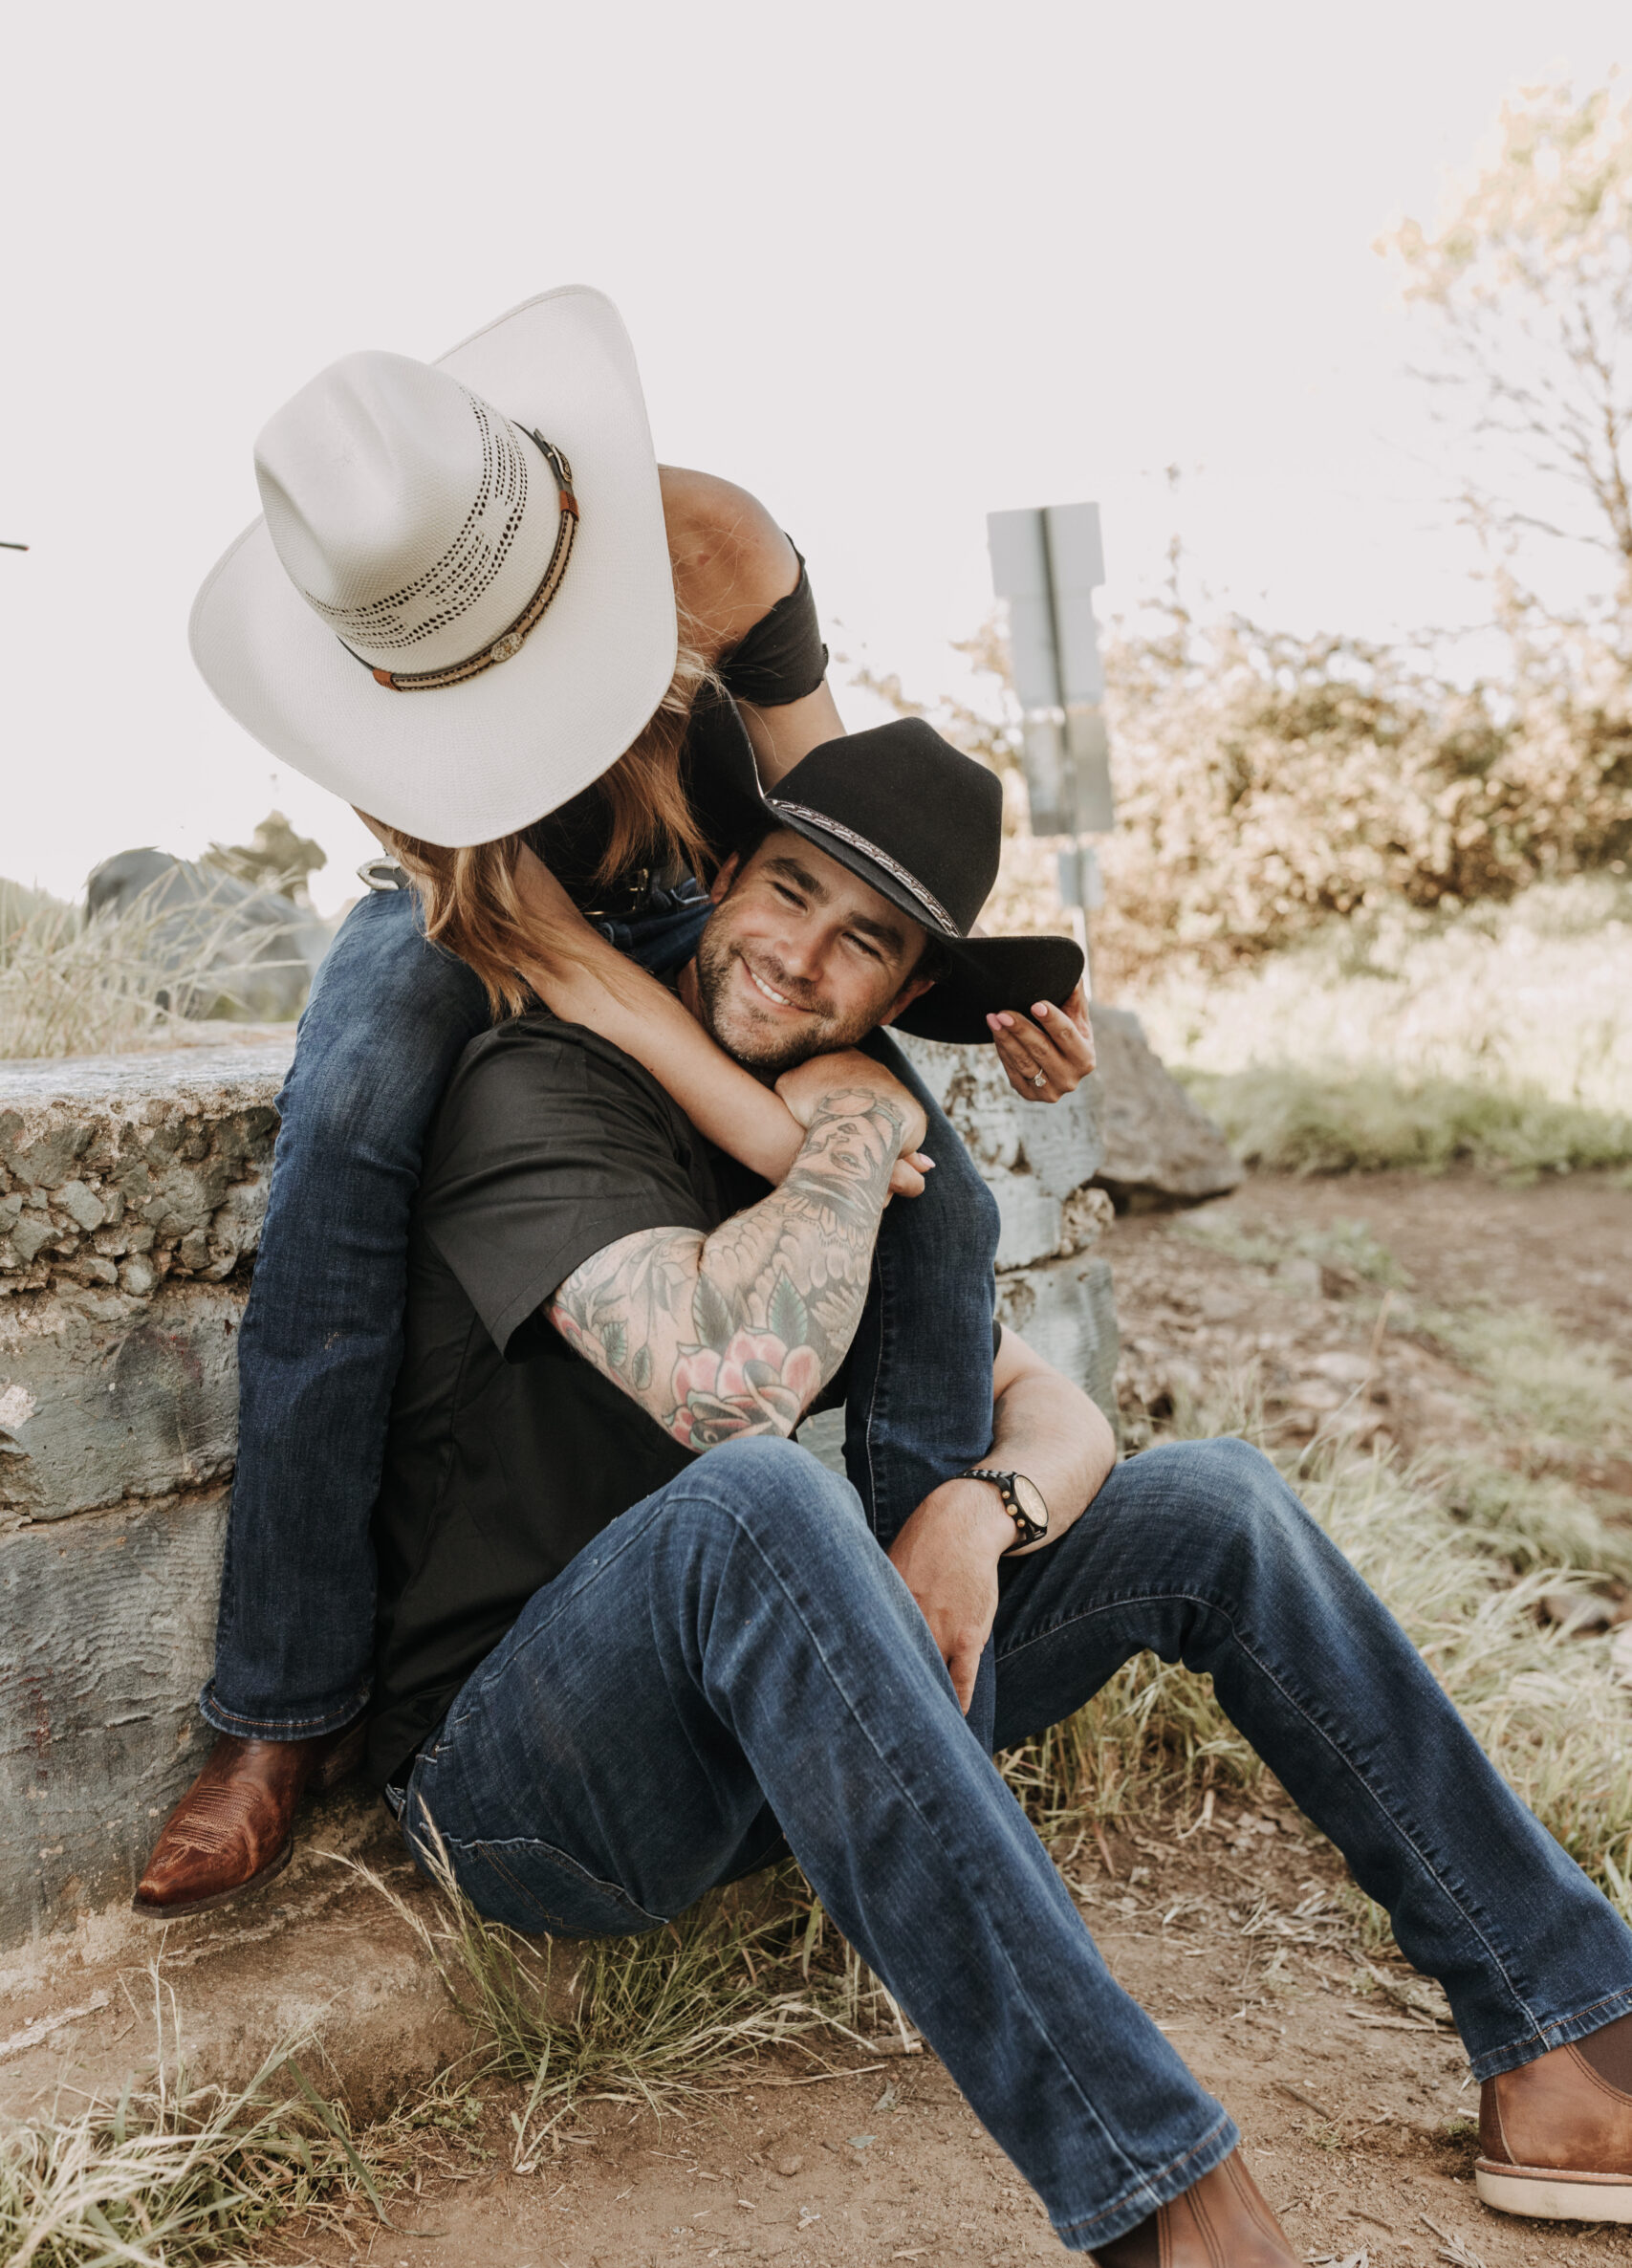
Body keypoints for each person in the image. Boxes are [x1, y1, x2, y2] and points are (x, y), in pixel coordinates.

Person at [370, 719, 1632, 2268]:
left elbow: (1056, 1406)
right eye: (785, 892)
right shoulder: (549, 1087)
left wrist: (980, 1512)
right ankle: (1166, 2206)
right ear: (721, 881)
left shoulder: (812, 1124)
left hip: (747, 1738)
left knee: (1217, 1500)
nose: (797, 958)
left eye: (863, 944)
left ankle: (1570, 2048)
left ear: (903, 995)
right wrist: (859, 1122)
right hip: (519, 1778)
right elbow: (725, 1381)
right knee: (763, 1498)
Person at [136, 287, 1092, 1918]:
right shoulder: (344, 612)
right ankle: (280, 1710)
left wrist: (952, 1003)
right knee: (357, 1114)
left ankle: (910, 1651)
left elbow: (849, 857)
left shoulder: (718, 556)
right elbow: (555, 960)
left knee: (958, 1205)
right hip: (500, 904)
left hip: (717, 897)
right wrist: (777, 1134)